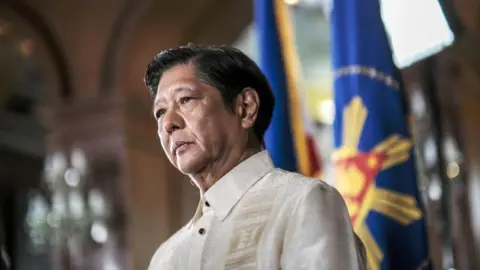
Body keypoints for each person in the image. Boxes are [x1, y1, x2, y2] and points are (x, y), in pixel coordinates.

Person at [144, 44, 366, 270]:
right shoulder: (165, 258)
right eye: (160, 112)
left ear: (246, 107)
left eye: (185, 100)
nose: (168, 123)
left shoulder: (301, 202)